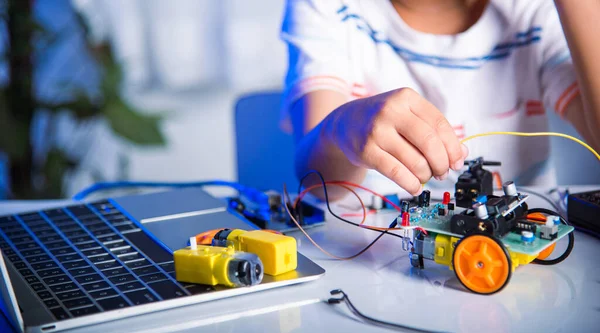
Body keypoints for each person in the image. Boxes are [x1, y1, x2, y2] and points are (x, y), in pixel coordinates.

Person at [279, 0, 600, 200]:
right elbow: (319, 183)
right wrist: (340, 128)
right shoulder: (326, 7)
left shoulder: (538, 11)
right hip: (365, 265)